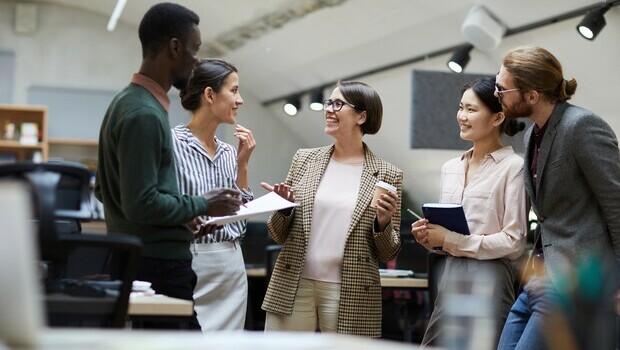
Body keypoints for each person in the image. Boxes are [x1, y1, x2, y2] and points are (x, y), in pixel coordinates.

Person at [94, 3, 241, 330]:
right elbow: (141, 201)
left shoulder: (126, 102)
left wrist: (179, 218)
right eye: (195, 49)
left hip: (142, 260)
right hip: (157, 267)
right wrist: (204, 204)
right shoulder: (144, 114)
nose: (197, 61)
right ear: (175, 47)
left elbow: (104, 190)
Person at [495, 46, 620, 349]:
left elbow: (617, 204)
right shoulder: (530, 136)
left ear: (532, 95)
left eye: (503, 88)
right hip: (540, 278)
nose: (496, 93)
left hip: (577, 281)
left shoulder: (581, 126)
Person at [260, 81, 402, 337]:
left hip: (350, 290)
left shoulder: (388, 175)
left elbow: (388, 251)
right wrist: (283, 209)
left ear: (362, 116)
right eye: (329, 102)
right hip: (294, 282)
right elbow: (277, 234)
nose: (329, 109)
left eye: (338, 104)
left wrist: (383, 222)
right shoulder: (304, 159)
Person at [411, 77, 527, 347]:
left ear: (498, 117)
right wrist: (430, 237)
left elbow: (514, 241)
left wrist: (450, 239)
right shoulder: (449, 167)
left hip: (492, 278)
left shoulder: (513, 168)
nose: (462, 116)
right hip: (451, 274)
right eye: (460, 107)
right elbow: (450, 232)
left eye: (471, 110)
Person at [172, 58, 256, 331]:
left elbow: (240, 224)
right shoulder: (171, 144)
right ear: (210, 95)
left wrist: (243, 165)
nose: (240, 100)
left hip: (231, 268)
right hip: (189, 263)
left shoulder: (230, 152)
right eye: (234, 90)